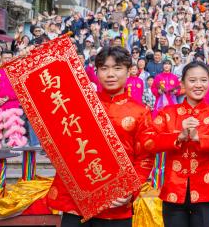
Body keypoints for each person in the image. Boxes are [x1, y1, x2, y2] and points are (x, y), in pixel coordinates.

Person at [47, 47, 154, 227]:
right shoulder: (78, 104)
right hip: (77, 201)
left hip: (116, 204)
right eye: (104, 68)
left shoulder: (140, 112)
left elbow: (145, 158)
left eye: (117, 68)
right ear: (96, 72)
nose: (110, 74)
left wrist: (130, 190)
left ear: (129, 71)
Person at [142, 61, 209, 227]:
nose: (198, 85)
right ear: (183, 84)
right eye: (192, 80)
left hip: (207, 191)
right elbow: (147, 141)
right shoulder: (168, 113)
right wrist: (178, 136)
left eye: (203, 80)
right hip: (174, 191)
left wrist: (199, 138)